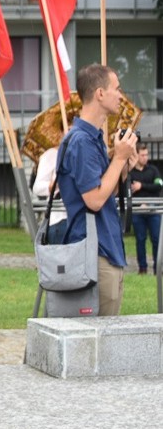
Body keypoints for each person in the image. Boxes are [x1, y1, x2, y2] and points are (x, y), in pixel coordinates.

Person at [54, 64, 139, 316]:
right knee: (98, 344)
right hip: (95, 253)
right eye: (117, 89)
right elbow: (94, 200)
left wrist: (122, 167)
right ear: (100, 93)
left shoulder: (91, 138)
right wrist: (119, 159)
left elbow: (106, 191)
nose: (121, 96)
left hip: (105, 249)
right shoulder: (81, 141)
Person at [130, 140, 162, 274]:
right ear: (136, 156)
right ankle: (142, 268)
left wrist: (141, 186)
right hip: (138, 210)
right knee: (140, 239)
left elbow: (158, 185)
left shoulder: (153, 170)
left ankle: (157, 268)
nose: (145, 157)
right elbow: (128, 189)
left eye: (146, 155)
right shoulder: (131, 172)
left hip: (153, 209)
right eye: (142, 155)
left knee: (156, 239)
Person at [32, 140, 68, 243]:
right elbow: (37, 187)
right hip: (60, 218)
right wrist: (51, 185)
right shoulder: (52, 154)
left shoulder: (86, 153)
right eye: (69, 130)